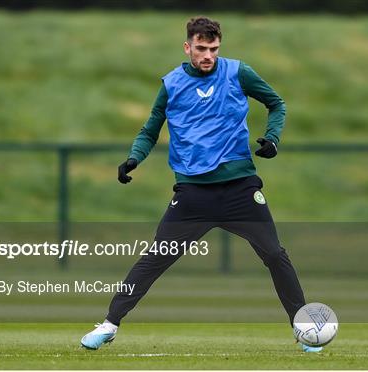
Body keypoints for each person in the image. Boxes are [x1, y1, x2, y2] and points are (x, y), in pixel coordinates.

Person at [80, 16, 321, 353]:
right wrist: (134, 158)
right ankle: (109, 324)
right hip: (193, 194)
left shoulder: (238, 72)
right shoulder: (172, 83)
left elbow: (277, 104)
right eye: (202, 48)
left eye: (214, 48)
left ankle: (304, 329)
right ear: (187, 47)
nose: (208, 55)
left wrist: (274, 139)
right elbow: (150, 130)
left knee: (274, 255)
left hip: (240, 188)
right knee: (155, 257)